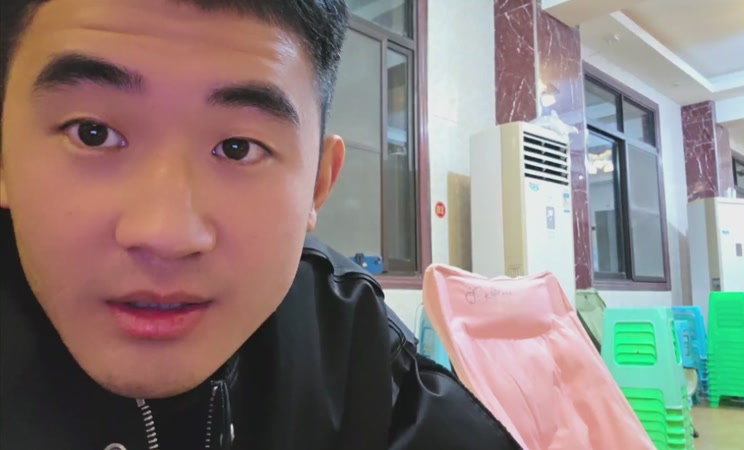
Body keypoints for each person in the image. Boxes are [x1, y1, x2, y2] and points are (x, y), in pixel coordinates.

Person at [0, 0, 523, 449]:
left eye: (237, 148)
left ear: (319, 183)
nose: (166, 235)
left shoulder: (354, 350)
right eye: (91, 133)